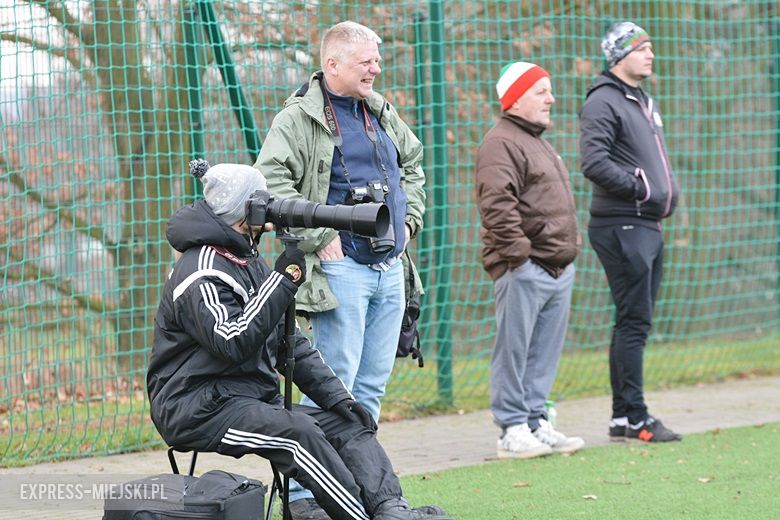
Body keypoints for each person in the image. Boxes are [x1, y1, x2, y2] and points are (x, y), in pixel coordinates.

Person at [147, 161, 450, 520]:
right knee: (297, 433)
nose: (270, 207)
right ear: (244, 210)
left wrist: (337, 398)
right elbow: (232, 340)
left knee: (349, 421)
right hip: (196, 405)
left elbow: (288, 344)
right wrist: (283, 280)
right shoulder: (201, 270)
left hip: (247, 396)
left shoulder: (247, 258)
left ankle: (391, 509)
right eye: (261, 201)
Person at [255, 21, 426, 519]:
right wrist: (319, 236)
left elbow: (413, 165)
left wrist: (409, 222)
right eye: (365, 61)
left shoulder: (382, 112)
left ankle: (363, 486)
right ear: (332, 65)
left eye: (377, 59)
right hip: (341, 270)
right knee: (334, 386)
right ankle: (310, 496)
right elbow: (269, 184)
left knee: (370, 387)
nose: (376, 67)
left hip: (391, 267)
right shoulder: (295, 119)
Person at [475, 62, 584, 459]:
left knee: (543, 352)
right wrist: (519, 258)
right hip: (525, 267)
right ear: (516, 99)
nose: (551, 99)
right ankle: (511, 429)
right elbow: (497, 207)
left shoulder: (538, 140)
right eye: (541, 91)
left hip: (556, 267)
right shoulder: (501, 142)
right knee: (514, 350)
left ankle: (536, 421)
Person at [579, 22, 682, 443]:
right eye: (642, 48)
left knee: (633, 321)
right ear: (619, 56)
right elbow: (594, 162)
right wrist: (641, 186)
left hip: (648, 224)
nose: (650, 54)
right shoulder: (604, 100)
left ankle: (623, 419)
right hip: (623, 223)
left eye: (651, 47)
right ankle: (637, 418)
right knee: (634, 322)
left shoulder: (642, 100)